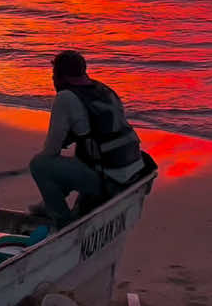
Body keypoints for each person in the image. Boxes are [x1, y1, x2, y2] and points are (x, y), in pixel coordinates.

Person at [29, 50, 145, 227]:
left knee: (40, 165)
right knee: (77, 161)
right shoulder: (105, 90)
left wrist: (54, 150)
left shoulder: (66, 97)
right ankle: (48, 204)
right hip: (133, 171)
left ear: (60, 76)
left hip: (109, 180)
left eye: (53, 75)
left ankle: (62, 221)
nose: (53, 80)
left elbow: (51, 150)